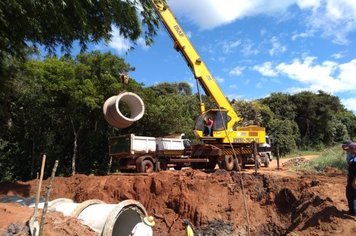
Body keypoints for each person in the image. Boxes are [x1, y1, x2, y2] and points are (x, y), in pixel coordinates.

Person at [346, 142, 356, 216]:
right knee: (351, 194)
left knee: (351, 195)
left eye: (350, 150)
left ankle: (353, 212)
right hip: (351, 179)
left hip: (353, 180)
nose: (349, 151)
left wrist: (354, 181)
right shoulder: (354, 157)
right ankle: (352, 211)